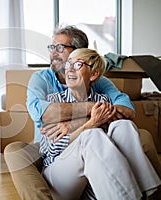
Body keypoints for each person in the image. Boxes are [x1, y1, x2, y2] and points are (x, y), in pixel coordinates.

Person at [4, 25, 161, 200]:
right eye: (52, 47)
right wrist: (93, 116)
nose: (54, 53)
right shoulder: (43, 82)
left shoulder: (101, 84)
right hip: (47, 151)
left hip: (96, 143)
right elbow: (42, 114)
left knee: (130, 130)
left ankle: (151, 193)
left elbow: (127, 110)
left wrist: (76, 122)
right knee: (15, 151)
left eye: (61, 48)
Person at [40, 48, 160, 199]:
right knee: (92, 134)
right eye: (68, 63)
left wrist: (75, 125)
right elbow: (49, 149)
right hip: (58, 174)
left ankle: (148, 193)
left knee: (124, 126)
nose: (69, 69)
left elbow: (118, 127)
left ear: (94, 74)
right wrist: (90, 124)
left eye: (78, 64)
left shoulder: (104, 101)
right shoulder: (53, 101)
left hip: (96, 173)